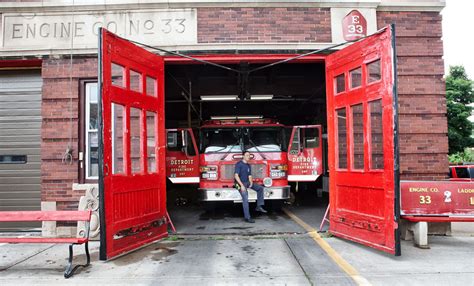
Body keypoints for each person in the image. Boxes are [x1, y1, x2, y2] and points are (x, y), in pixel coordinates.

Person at [234, 151, 267, 223]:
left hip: (247, 182)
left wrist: (251, 182)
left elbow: (249, 175)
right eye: (246, 155)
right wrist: (241, 186)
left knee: (260, 188)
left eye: (249, 155)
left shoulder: (248, 165)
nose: (248, 157)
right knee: (245, 197)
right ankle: (247, 217)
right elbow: (236, 176)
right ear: (243, 156)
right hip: (238, 184)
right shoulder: (239, 164)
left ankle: (259, 206)